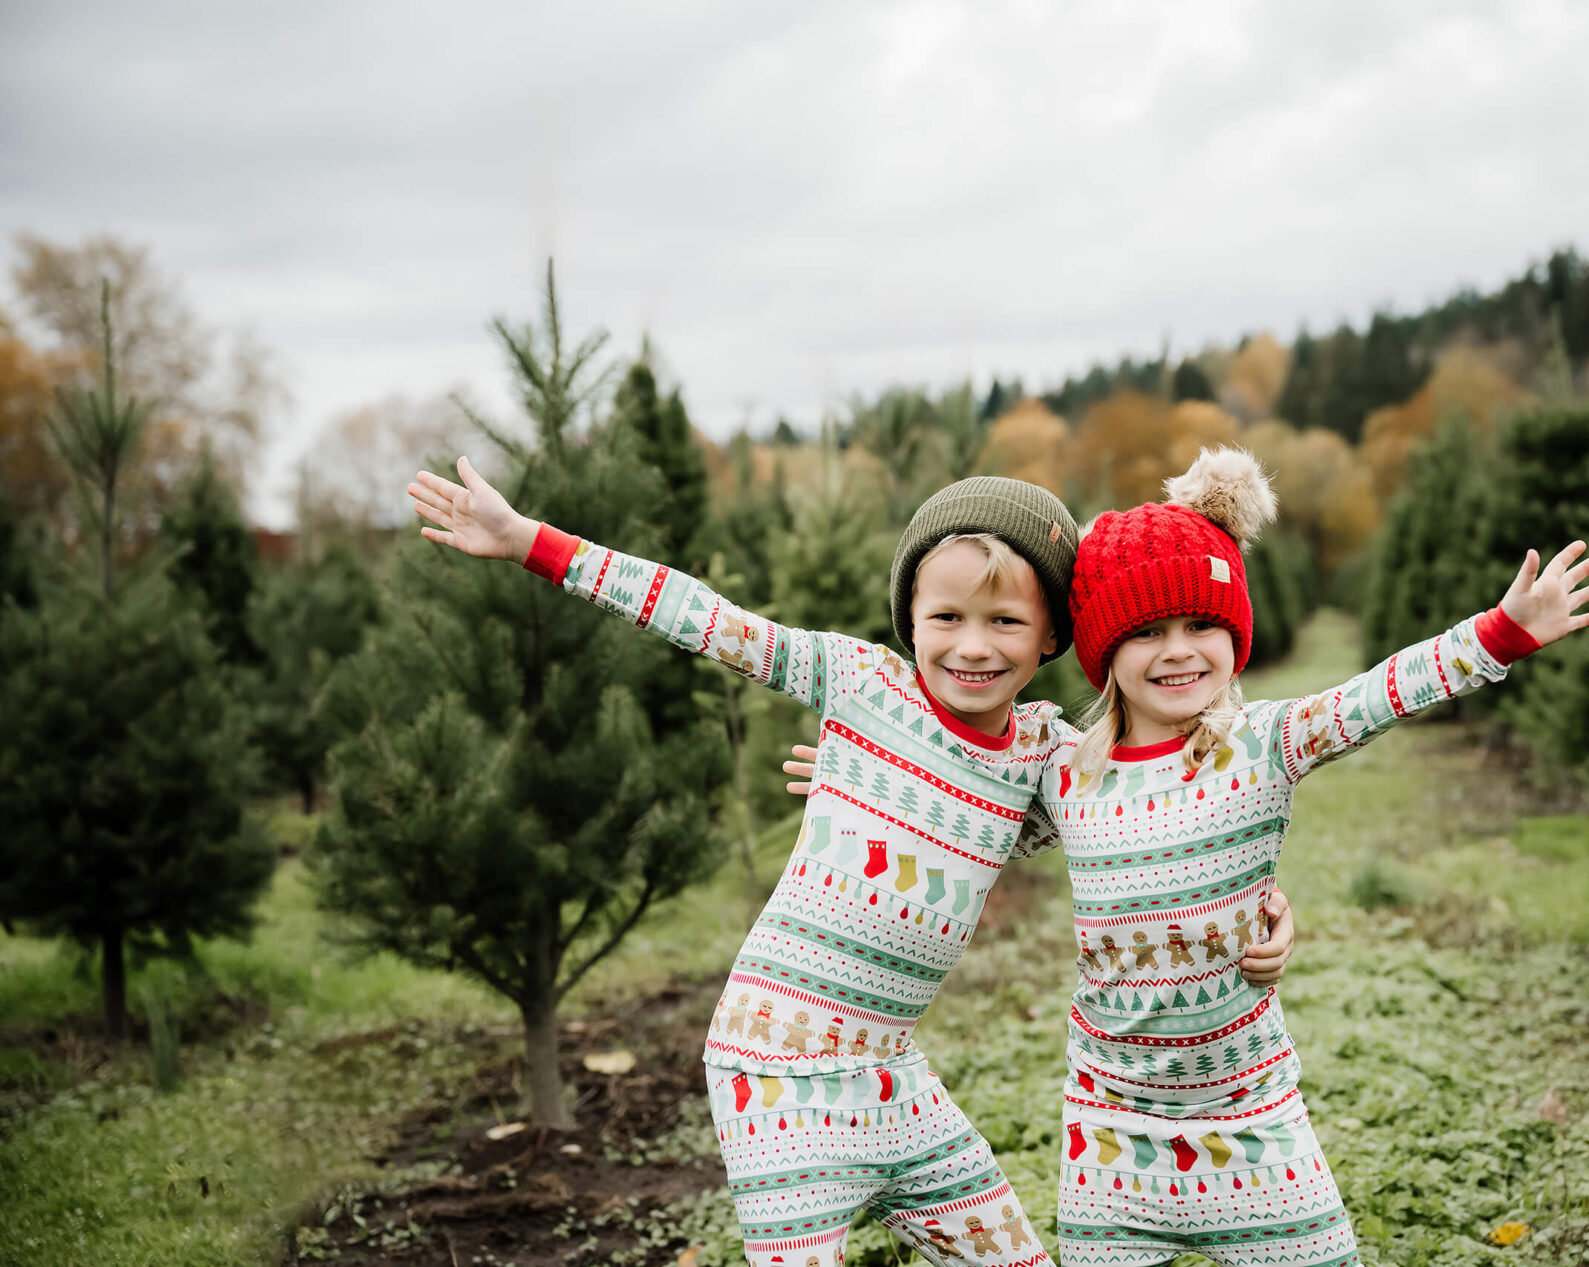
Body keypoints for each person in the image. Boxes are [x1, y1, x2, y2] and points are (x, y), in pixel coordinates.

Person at [407, 458, 1087, 1266]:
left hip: (893, 1076)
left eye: (1005, 621)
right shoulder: (864, 684)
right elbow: (706, 618)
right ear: (910, 616)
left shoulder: (1044, 747)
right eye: (946, 616)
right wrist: (530, 542)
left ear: (1050, 634)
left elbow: (1153, 803)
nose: (972, 646)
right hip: (776, 1070)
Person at [1044, 447, 1589, 1266]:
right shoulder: (1065, 772)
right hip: (1110, 1133)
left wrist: (1499, 633)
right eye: (1148, 631)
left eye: (1202, 624)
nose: (1179, 650)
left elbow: (1375, 694)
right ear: (1104, 649)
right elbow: (960, 810)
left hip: (1251, 1117)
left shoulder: (1263, 743)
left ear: (1235, 632)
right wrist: (855, 777)